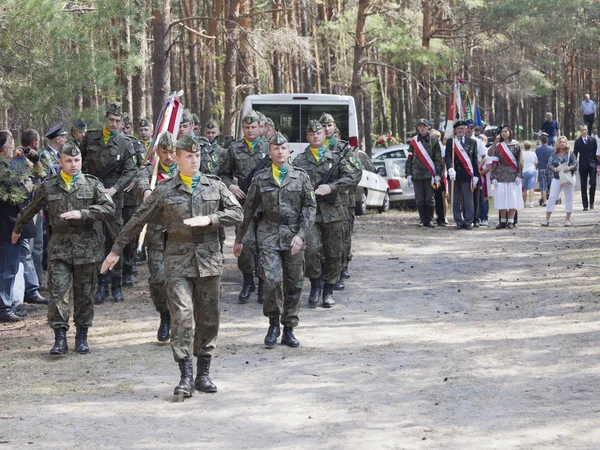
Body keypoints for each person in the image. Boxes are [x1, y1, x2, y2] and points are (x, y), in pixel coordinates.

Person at [101, 134, 243, 398]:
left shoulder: (215, 186)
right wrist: (116, 249)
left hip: (209, 260)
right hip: (177, 260)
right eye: (188, 156)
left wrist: (210, 219)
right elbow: (137, 219)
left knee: (209, 318)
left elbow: (237, 213)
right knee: (182, 315)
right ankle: (185, 375)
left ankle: (203, 373)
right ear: (176, 158)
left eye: (197, 156)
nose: (194, 160)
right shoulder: (164, 191)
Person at [12, 143, 115, 354]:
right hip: (59, 248)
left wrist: (84, 213)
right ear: (60, 161)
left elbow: (109, 207)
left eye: (77, 160)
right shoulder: (50, 186)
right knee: (58, 293)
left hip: (87, 248)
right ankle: (60, 337)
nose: (73, 164)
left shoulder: (92, 184)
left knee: (85, 295)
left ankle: (82, 336)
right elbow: (32, 208)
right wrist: (17, 228)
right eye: (68, 160)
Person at [234, 132, 316, 347]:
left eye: (283, 148)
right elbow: (249, 209)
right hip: (268, 234)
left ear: (289, 152)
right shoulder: (261, 178)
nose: (280, 152)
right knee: (271, 281)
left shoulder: (301, 176)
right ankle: (273, 324)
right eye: (275, 149)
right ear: (269, 153)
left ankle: (289, 328)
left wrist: (301, 234)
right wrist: (240, 238)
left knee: (295, 283)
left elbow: (310, 207)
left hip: (294, 236)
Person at [292, 120, 355, 308]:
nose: (316, 136)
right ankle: (316, 285)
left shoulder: (336, 157)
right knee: (311, 252)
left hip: (334, 213)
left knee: (334, 253)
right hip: (310, 214)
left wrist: (332, 186)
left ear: (324, 134)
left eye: (318, 133)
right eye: (311, 134)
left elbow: (353, 176)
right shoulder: (300, 160)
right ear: (307, 137)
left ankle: (328, 289)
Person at [80, 103, 137, 303]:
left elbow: (131, 171)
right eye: (111, 120)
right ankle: (101, 284)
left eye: (117, 121)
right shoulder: (91, 137)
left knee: (115, 240)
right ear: (105, 118)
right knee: (97, 240)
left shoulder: (125, 143)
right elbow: (81, 163)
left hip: (114, 199)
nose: (113, 124)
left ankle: (116, 284)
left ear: (121, 123)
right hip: (93, 196)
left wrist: (115, 189)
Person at [219, 110, 270, 304]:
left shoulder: (269, 147)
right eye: (247, 127)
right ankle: (248, 281)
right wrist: (230, 186)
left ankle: (264, 284)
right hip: (243, 206)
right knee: (245, 245)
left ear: (261, 127)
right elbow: (222, 174)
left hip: (267, 206)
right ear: (243, 128)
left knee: (265, 246)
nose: (250, 130)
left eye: (254, 127)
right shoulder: (234, 148)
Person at [135, 132, 178, 343]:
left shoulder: (185, 170)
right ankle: (165, 316)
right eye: (164, 152)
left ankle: (181, 320)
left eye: (172, 151)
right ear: (157, 152)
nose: (169, 156)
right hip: (157, 236)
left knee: (182, 281)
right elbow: (141, 183)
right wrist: (146, 191)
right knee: (159, 280)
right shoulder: (149, 171)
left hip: (181, 236)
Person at [0, 131, 44, 322]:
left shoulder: (14, 165)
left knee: (11, 266)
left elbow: (38, 178)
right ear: (3, 147)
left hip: (15, 222)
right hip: (6, 225)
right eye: (10, 140)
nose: (14, 143)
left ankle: (7, 305)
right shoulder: (3, 168)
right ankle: (3, 308)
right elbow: (20, 191)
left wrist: (34, 161)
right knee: (6, 267)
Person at [319, 112, 362, 289]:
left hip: (343, 201)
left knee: (342, 238)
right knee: (321, 241)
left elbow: (356, 174)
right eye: (323, 126)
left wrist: (336, 186)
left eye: (329, 125)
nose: (326, 129)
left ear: (334, 126)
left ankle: (339, 271)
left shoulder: (344, 148)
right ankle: (324, 274)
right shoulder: (315, 147)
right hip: (322, 202)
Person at [405, 118, 443, 228]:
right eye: (420, 126)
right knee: (420, 199)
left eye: (424, 126)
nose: (422, 128)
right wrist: (408, 173)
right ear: (418, 128)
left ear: (428, 128)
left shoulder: (434, 141)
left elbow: (437, 159)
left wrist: (438, 174)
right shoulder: (414, 142)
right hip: (416, 174)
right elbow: (409, 158)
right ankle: (422, 219)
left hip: (429, 174)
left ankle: (429, 219)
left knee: (429, 199)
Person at [445, 121, 480, 230]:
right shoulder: (451, 142)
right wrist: (450, 168)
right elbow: (448, 157)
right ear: (455, 130)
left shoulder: (472, 142)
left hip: (467, 175)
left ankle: (468, 221)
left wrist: (476, 175)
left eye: (462, 128)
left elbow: (474, 160)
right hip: (454, 175)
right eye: (458, 129)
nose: (460, 131)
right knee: (455, 200)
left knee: (468, 200)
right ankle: (458, 222)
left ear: (466, 130)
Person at [490, 124, 523, 229]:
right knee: (502, 198)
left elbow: (520, 161)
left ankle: (511, 221)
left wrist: (519, 175)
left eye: (506, 131)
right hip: (501, 174)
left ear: (510, 132)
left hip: (513, 174)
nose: (504, 133)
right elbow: (494, 161)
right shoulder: (498, 147)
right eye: (502, 132)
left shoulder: (516, 145)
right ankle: (502, 221)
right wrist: (493, 176)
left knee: (513, 198)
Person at [542, 136, 577, 227]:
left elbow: (575, 164)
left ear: (566, 143)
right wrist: (555, 169)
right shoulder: (553, 154)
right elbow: (549, 165)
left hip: (568, 177)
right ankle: (547, 219)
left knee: (569, 198)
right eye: (560, 142)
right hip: (557, 178)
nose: (562, 144)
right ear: (557, 143)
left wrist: (568, 168)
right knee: (552, 198)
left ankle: (568, 219)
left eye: (563, 142)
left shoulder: (570, 153)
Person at [465, 120, 488, 227]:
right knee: (464, 196)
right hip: (464, 171)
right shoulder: (460, 141)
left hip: (475, 171)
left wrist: (478, 167)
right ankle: (466, 217)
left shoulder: (478, 141)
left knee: (476, 196)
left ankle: (476, 218)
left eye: (471, 128)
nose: (468, 130)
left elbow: (484, 157)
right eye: (467, 128)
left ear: (474, 129)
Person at [573, 125, 598, 211]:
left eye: (586, 129)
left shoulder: (593, 140)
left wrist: (598, 165)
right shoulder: (577, 142)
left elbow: (596, 153)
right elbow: (575, 153)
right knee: (583, 185)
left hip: (592, 164)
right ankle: (585, 205)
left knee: (593, 183)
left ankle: (591, 202)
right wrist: (573, 164)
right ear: (580, 131)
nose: (584, 131)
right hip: (583, 165)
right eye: (583, 130)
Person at [430, 129, 448, 226]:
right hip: (428, 174)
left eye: (437, 137)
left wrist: (441, 173)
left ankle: (441, 217)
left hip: (438, 174)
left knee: (440, 197)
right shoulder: (427, 145)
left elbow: (443, 160)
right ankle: (429, 217)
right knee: (429, 197)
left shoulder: (440, 146)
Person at [535, 134, 554, 206]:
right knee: (551, 185)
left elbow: (536, 160)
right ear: (547, 141)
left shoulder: (538, 149)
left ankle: (545, 201)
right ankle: (552, 200)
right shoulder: (552, 149)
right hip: (550, 169)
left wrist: (536, 168)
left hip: (541, 168)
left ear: (541, 141)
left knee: (543, 185)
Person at [477, 134, 491, 226]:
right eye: (479, 139)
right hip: (475, 178)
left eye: (483, 139)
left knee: (484, 199)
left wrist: (480, 173)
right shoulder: (474, 150)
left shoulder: (488, 152)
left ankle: (484, 217)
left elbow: (489, 167)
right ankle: (477, 217)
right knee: (476, 199)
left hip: (484, 178)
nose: (481, 141)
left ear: (485, 142)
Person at [521, 141, 538, 208]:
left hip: (524, 171)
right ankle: (531, 202)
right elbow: (536, 163)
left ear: (524, 146)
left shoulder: (522, 154)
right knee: (531, 187)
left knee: (524, 188)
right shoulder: (533, 153)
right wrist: (535, 169)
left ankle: (524, 202)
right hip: (532, 171)